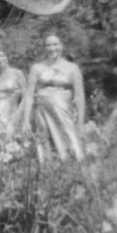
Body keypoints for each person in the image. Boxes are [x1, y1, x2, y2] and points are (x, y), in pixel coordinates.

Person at [22, 34, 85, 162]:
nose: (52, 48)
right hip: (41, 113)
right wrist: (26, 120)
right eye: (48, 45)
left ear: (61, 46)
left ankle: (74, 171)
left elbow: (79, 96)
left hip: (64, 113)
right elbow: (29, 95)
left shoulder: (72, 68)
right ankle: (48, 174)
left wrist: (80, 121)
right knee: (45, 146)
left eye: (55, 44)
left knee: (72, 144)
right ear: (45, 48)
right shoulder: (36, 68)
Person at [0, 46, 26, 135]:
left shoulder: (17, 73)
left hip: (11, 116)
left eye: (2, 56)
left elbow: (26, 97)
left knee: (11, 145)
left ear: (7, 57)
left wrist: (17, 115)